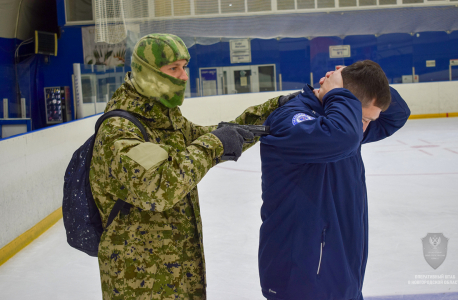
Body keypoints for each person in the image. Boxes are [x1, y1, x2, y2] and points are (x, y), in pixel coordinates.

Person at [89, 33, 295, 300]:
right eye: (173, 68)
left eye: (184, 67)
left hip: (177, 278)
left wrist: (271, 111)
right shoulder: (120, 131)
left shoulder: (162, 118)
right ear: (148, 73)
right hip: (140, 286)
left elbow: (210, 137)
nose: (184, 77)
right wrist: (213, 144)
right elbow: (159, 187)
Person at [258, 60, 411, 300]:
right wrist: (341, 92)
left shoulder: (346, 125)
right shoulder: (290, 120)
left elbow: (397, 115)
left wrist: (363, 80)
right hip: (300, 277)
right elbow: (342, 136)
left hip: (341, 274)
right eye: (362, 119)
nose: (362, 130)